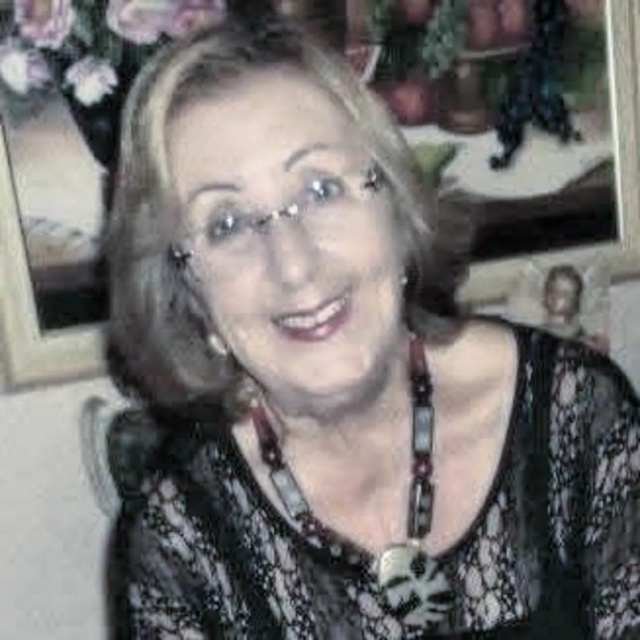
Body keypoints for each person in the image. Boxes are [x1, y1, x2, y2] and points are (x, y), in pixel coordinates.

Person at [106, 15, 639, 639]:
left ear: (395, 205)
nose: (294, 265)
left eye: (321, 190)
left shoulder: (576, 416)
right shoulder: (180, 539)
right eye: (226, 225)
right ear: (187, 292)